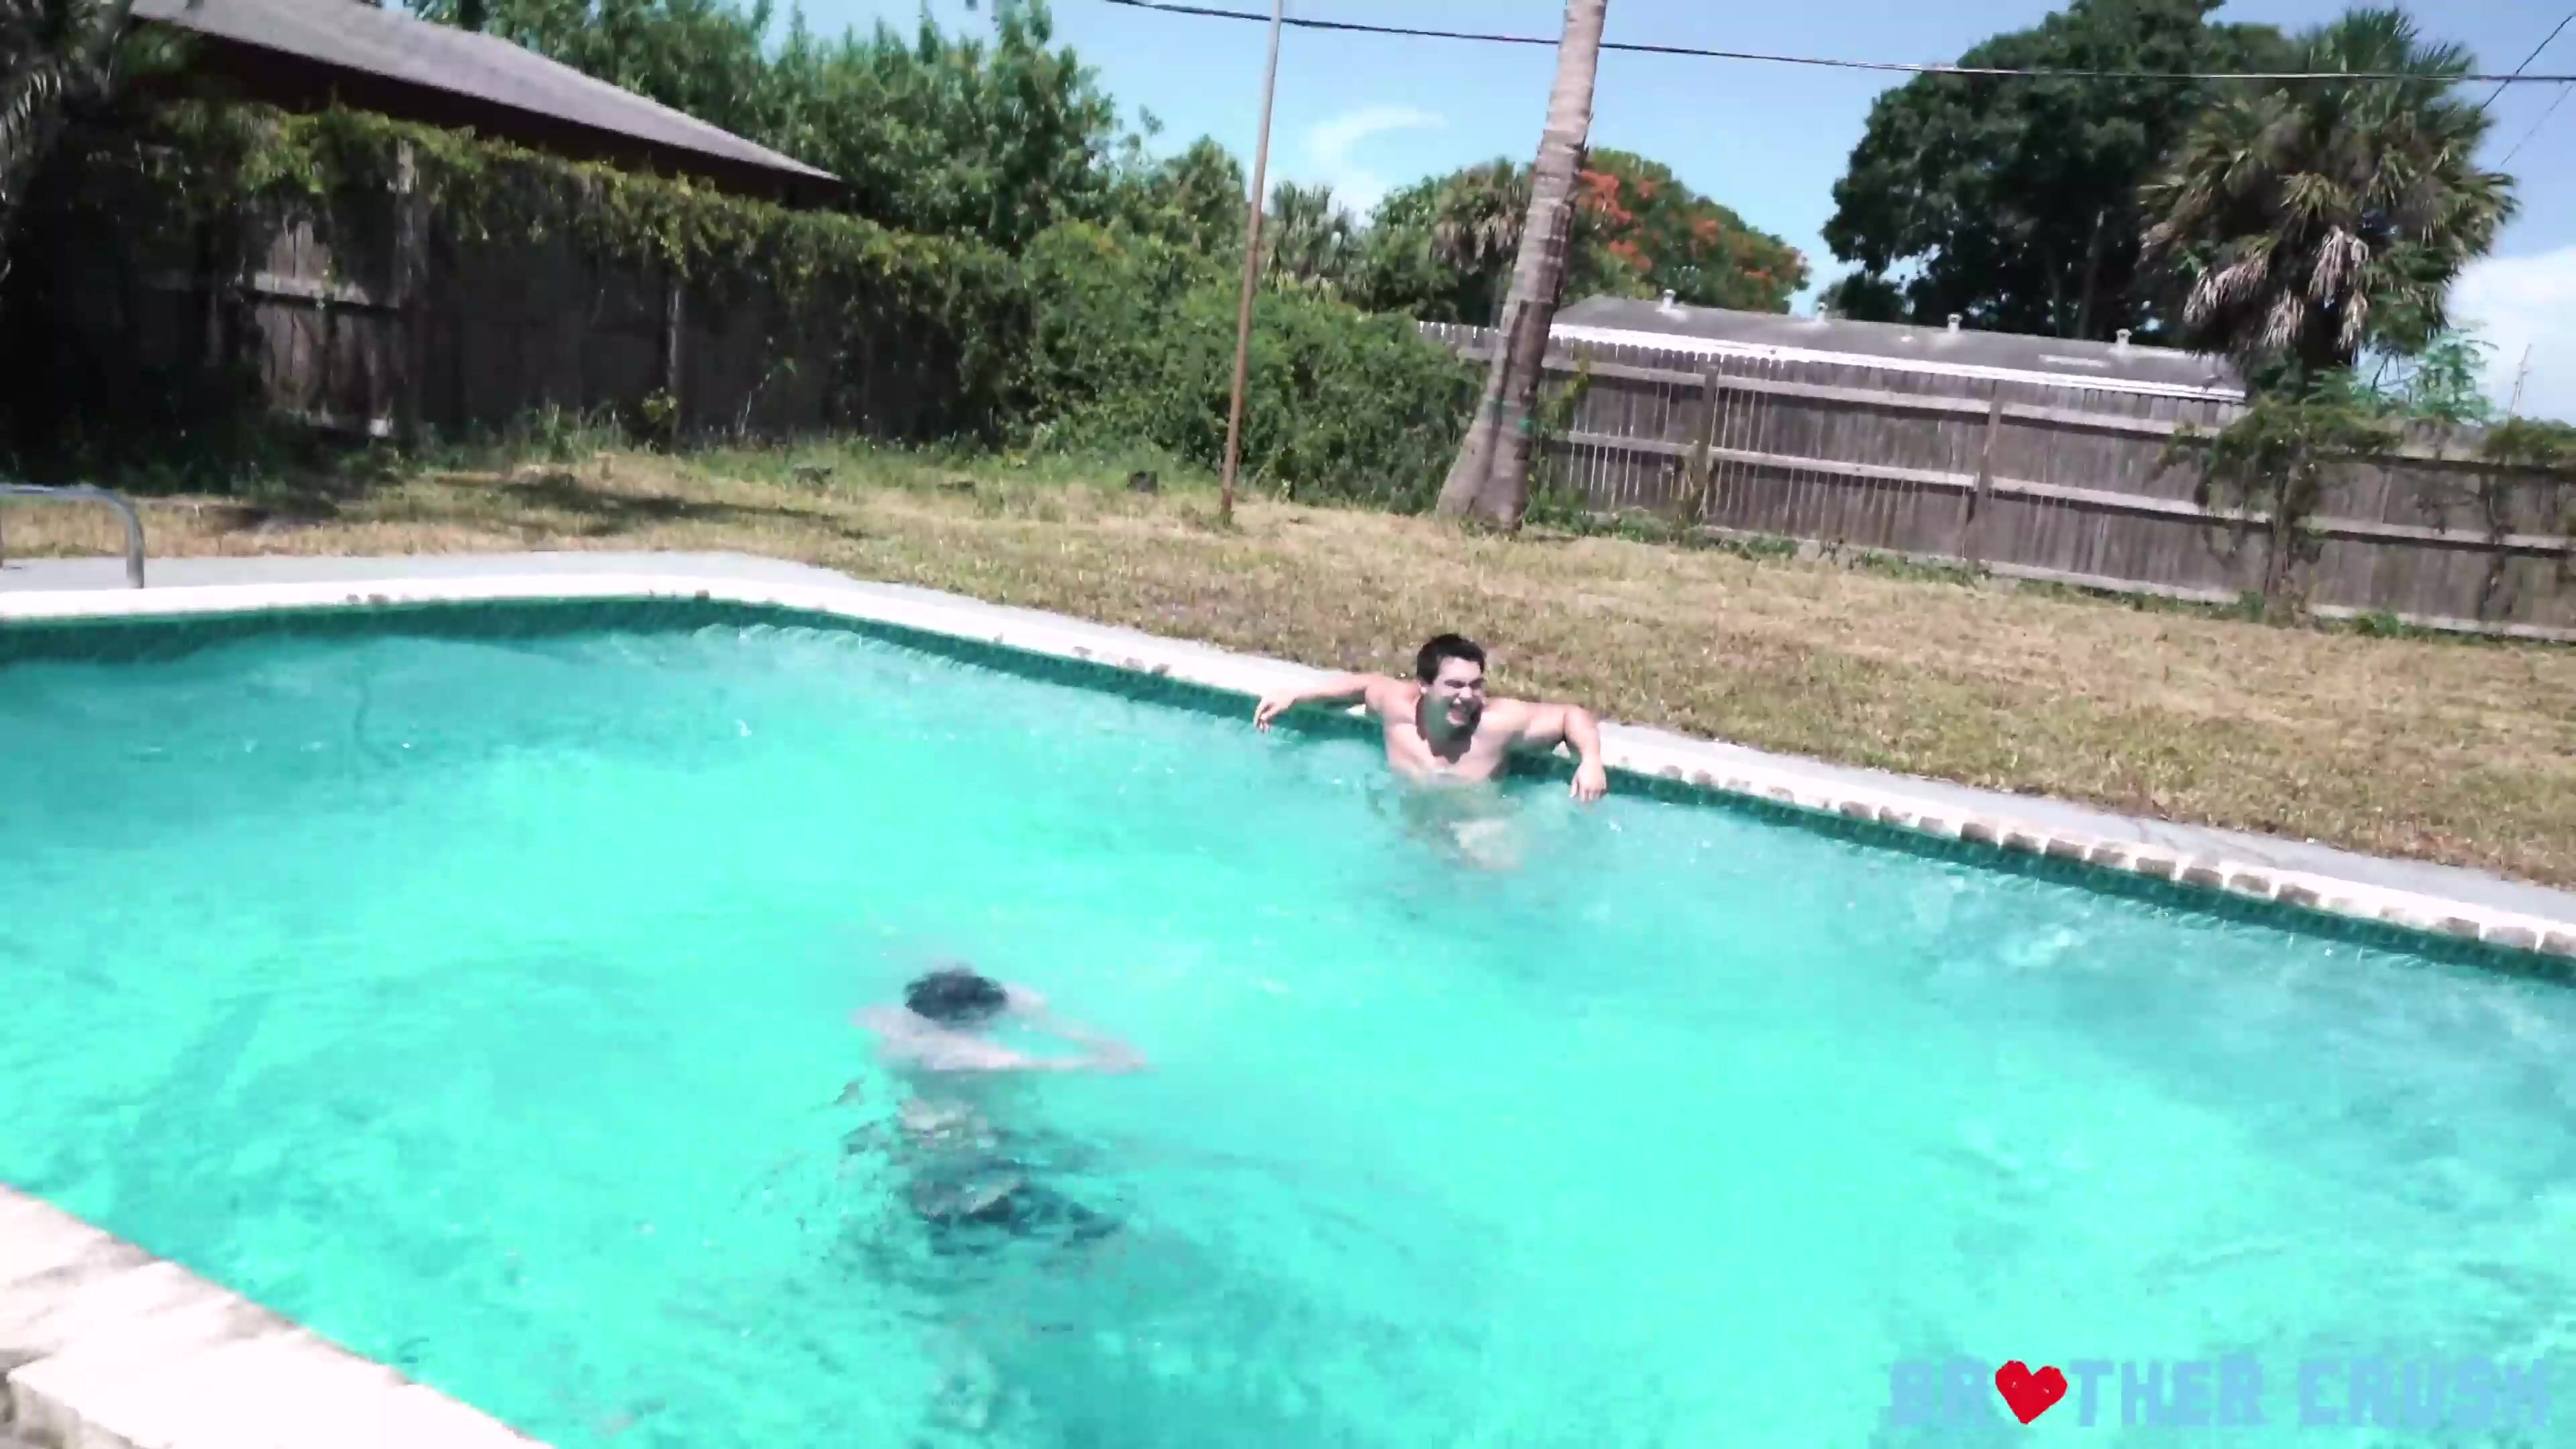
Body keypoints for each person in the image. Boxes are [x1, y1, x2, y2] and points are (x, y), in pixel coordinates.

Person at [851, 964, 1140, 1249]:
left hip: (922, 1154)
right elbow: (1107, 1064)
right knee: (1099, 1232)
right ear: (977, 1017)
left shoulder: (889, 1029)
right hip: (966, 1179)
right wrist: (1106, 1052)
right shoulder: (975, 1057)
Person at [1251, 633, 1610, 803]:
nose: (1467, 697)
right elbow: (1363, 686)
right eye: (1455, 685)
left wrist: (1591, 760)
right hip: (1409, 816)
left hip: (1476, 828)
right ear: (1423, 685)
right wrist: (1297, 695)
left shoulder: (1496, 724)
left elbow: (1571, 715)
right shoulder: (1398, 709)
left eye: (1476, 685)